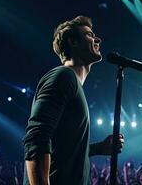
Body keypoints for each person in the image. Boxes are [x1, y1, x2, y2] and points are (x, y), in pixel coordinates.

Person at [22, 15, 124, 185]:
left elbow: (62, 149)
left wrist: (98, 148)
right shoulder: (63, 76)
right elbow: (36, 137)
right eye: (89, 35)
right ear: (73, 42)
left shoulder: (72, 83)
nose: (97, 39)